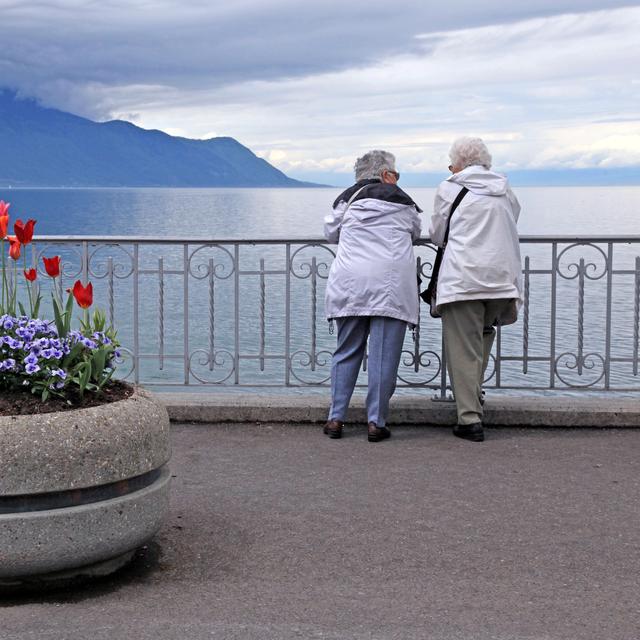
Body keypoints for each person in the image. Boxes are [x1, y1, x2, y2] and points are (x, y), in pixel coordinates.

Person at [323, 150, 422, 442]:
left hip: (351, 284)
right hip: (391, 287)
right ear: (385, 175)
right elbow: (416, 232)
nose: (397, 178)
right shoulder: (405, 204)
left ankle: (336, 418)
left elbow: (330, 232)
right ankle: (376, 422)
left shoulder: (347, 200)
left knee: (346, 351)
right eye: (396, 173)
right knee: (383, 357)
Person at [429, 137, 522, 443]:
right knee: (483, 337)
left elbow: (438, 235)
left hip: (464, 279)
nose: (449, 167)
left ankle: (469, 419)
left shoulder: (450, 187)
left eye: (450, 161)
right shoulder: (504, 188)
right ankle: (474, 398)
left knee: (463, 348)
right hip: (501, 276)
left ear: (459, 163)